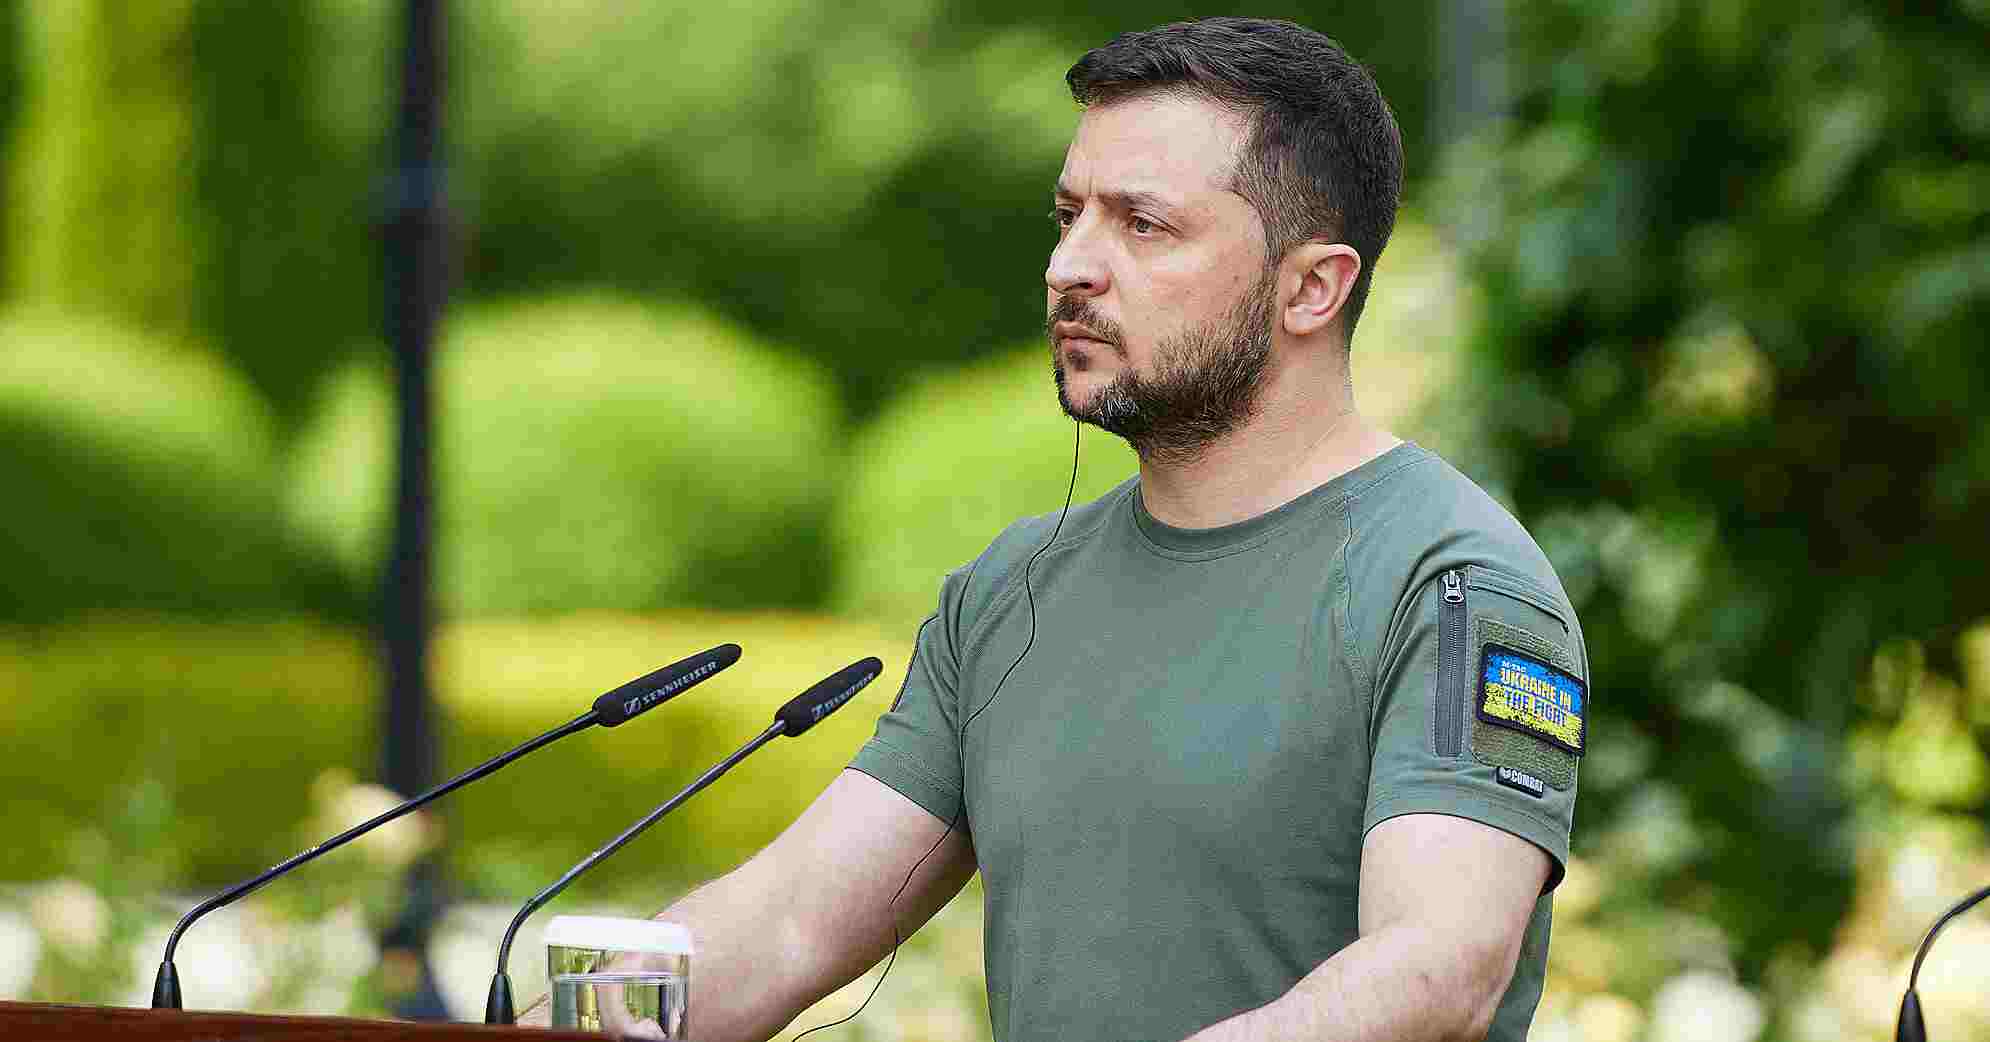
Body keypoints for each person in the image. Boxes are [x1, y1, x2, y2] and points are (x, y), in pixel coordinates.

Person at [544, 17, 1588, 1042]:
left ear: (1311, 287)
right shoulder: (1012, 590)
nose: (1067, 267)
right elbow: (789, 923)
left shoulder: (1455, 582)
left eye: (1143, 225)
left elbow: (1438, 970)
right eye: (1068, 216)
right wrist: (547, 1023)